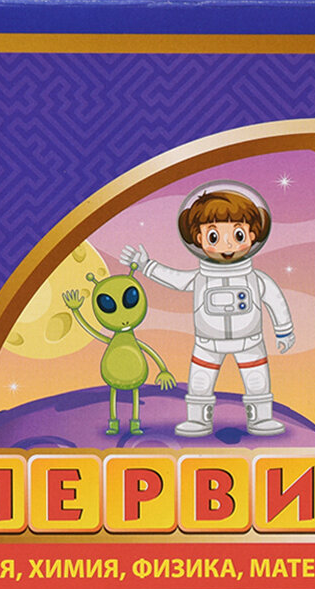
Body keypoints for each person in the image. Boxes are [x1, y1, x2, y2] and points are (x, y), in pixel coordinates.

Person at [122, 182, 294, 436]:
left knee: (257, 381)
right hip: (207, 343)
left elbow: (275, 301)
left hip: (250, 341)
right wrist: (147, 266)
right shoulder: (201, 278)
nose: (227, 245)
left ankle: (260, 419)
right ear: (199, 238)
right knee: (200, 382)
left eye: (237, 235)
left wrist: (284, 331)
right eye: (214, 237)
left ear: (253, 235)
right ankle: (198, 420)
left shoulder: (256, 279)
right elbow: (175, 279)